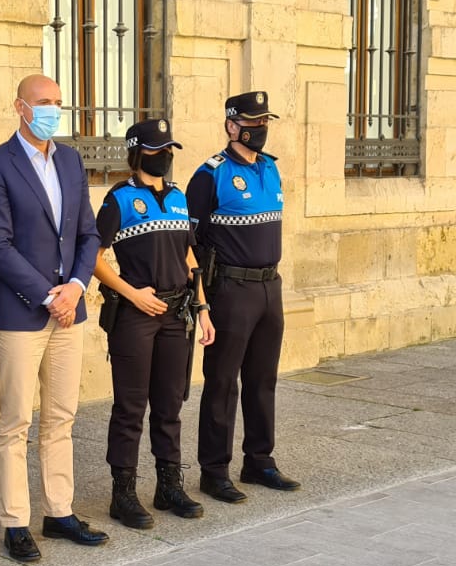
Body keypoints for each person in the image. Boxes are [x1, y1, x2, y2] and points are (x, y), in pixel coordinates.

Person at [0, 74, 106, 563]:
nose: (51, 110)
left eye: (57, 102)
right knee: (15, 422)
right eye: (42, 103)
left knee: (61, 416)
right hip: (20, 314)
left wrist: (74, 287)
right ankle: (15, 522)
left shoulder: (69, 160)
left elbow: (88, 235)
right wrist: (46, 296)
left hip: (71, 310)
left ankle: (60, 511)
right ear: (19, 107)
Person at [94, 118, 215, 527]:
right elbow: (92, 258)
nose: (163, 156)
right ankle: (123, 493)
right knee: (131, 407)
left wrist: (202, 307)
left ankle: (168, 486)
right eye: (155, 150)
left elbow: (188, 258)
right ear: (135, 153)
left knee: (170, 405)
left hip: (176, 312)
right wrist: (131, 293)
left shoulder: (178, 197)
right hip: (136, 314)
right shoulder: (119, 199)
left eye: (168, 150)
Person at [190, 90, 301, 504]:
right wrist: (201, 301)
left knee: (263, 379)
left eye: (264, 122)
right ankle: (213, 470)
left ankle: (259, 460)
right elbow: (192, 245)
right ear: (231, 125)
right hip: (231, 290)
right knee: (222, 382)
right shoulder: (210, 175)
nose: (260, 130)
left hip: (270, 287)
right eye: (252, 123)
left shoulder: (270, 169)